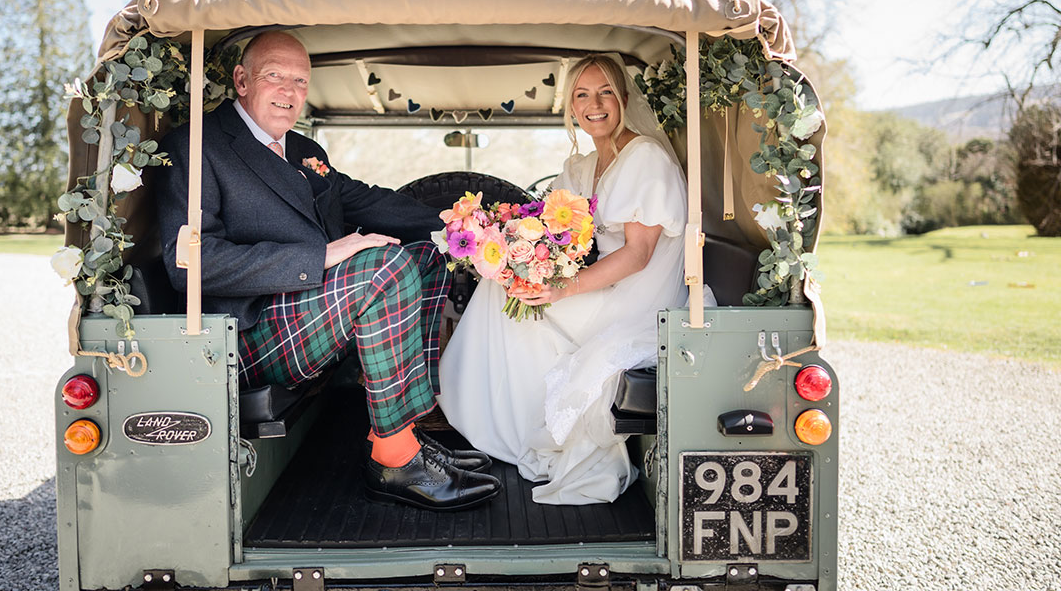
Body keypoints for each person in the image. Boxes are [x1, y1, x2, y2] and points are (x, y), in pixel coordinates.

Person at [157, 31, 500, 512]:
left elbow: (366, 199)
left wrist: (470, 224)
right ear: (241, 80)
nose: (289, 91)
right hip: (247, 330)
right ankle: (395, 461)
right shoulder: (198, 146)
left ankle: (407, 435)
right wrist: (322, 255)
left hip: (305, 314)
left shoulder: (300, 149)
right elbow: (190, 263)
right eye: (275, 76)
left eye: (300, 81)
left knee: (425, 255)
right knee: (381, 268)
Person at [437, 52, 713, 506]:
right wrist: (511, 246)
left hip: (635, 296)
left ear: (624, 99)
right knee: (504, 286)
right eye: (582, 94)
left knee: (518, 303)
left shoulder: (643, 156)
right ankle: (494, 421)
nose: (594, 103)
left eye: (605, 92)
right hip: (603, 284)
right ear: (570, 106)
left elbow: (637, 255)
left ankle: (502, 429)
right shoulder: (585, 166)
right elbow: (553, 229)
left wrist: (563, 287)